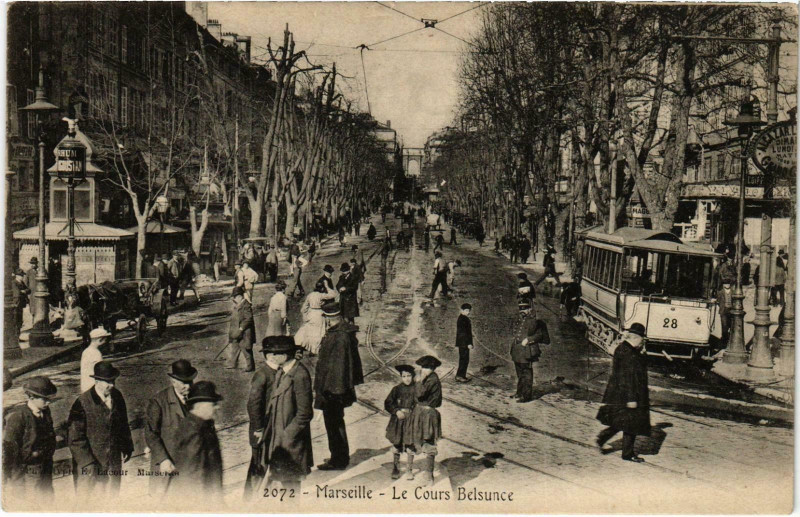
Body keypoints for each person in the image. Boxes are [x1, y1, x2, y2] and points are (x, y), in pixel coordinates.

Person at [245, 336, 314, 494]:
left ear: (285, 355)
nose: (271, 357)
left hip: (290, 440)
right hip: (280, 438)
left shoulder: (299, 374)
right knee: (281, 478)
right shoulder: (283, 372)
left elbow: (304, 413)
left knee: (291, 482)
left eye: (276, 354)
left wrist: (287, 435)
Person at [68, 361, 134, 495]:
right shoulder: (82, 403)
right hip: (91, 465)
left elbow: (123, 424)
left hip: (113, 461)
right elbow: (75, 438)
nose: (112, 385)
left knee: (112, 498)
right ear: (97, 381)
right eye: (108, 382)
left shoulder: (117, 396)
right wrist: (87, 463)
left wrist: (127, 445)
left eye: (113, 381)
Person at [314, 302, 364, 470]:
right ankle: (338, 456)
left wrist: (333, 391)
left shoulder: (340, 336)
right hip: (333, 387)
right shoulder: (339, 332)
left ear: (329, 319)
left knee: (334, 423)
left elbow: (340, 366)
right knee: (335, 422)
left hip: (333, 389)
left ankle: (339, 459)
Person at [596, 323, 650, 463]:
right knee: (631, 423)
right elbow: (629, 377)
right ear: (637, 338)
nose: (643, 342)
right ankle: (627, 453)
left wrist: (641, 354)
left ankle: (604, 437)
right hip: (628, 395)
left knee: (623, 421)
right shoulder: (629, 354)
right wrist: (631, 398)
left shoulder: (624, 349)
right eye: (642, 339)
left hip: (619, 393)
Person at [144, 360, 197, 496]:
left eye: (190, 382)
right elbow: (151, 434)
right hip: (167, 465)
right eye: (184, 383)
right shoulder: (158, 402)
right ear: (173, 381)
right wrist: (163, 459)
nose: (188, 386)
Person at [3, 376, 58, 499]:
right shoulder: (18, 416)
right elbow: (10, 448)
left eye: (49, 399)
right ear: (31, 398)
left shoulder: (45, 411)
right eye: (44, 399)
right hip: (27, 471)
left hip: (45, 467)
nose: (48, 402)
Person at [168, 381, 223, 500]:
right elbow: (192, 475)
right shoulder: (193, 432)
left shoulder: (203, 426)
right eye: (213, 403)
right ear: (200, 405)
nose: (217, 407)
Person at [408, 355, 442, 487]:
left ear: (432, 369)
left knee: (428, 443)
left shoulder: (431, 379)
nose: (423, 370)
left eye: (426, 368)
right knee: (411, 439)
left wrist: (419, 381)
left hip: (427, 414)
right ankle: (409, 471)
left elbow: (419, 394)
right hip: (420, 411)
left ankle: (429, 477)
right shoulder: (429, 378)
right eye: (423, 367)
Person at [384, 365, 417, 480]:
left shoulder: (417, 389)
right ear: (401, 377)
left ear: (413, 376)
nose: (407, 378)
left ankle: (409, 470)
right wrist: (396, 411)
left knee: (410, 444)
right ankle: (396, 468)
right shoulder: (396, 389)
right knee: (397, 443)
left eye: (409, 376)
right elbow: (388, 403)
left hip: (411, 420)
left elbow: (420, 404)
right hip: (398, 419)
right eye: (404, 376)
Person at [295, 281, 337, 356]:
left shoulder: (310, 295)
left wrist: (305, 316)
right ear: (321, 288)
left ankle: (302, 347)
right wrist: (327, 286)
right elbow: (333, 294)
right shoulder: (321, 295)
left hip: (311, 314)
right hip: (319, 314)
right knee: (318, 333)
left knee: (308, 331)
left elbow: (303, 308)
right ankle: (313, 350)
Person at [511, 319, 548, 402]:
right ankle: (519, 393)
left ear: (529, 308)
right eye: (521, 308)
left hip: (526, 350)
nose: (522, 311)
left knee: (527, 374)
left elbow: (539, 335)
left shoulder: (534, 321)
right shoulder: (519, 319)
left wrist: (528, 340)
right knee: (519, 372)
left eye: (525, 308)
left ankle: (526, 396)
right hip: (517, 349)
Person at [225, 287, 256, 372]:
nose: (234, 299)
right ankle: (232, 363)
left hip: (244, 332)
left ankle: (250, 366)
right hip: (236, 331)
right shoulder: (237, 305)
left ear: (239, 296)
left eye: (235, 297)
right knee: (235, 346)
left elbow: (248, 318)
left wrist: (241, 328)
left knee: (246, 348)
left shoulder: (246, 305)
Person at [80, 327, 110, 393]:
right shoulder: (96, 353)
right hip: (93, 386)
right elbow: (101, 373)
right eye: (105, 340)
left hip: (85, 385)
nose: (105, 342)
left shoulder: (86, 351)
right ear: (100, 340)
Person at [454, 303, 474, 382]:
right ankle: (460, 376)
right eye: (466, 310)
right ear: (461, 310)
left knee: (464, 359)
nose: (468, 312)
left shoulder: (462, 318)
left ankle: (461, 375)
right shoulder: (463, 319)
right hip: (464, 343)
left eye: (469, 311)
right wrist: (469, 343)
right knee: (464, 360)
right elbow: (464, 333)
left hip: (462, 342)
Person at [12, 267, 30, 334]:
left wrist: (24, 291)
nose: (22, 277)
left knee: (20, 320)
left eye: (22, 275)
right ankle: (15, 336)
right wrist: (23, 291)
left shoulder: (21, 282)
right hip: (16, 303)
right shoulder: (14, 283)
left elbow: (29, 290)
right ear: (17, 276)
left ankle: (18, 336)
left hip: (21, 304)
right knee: (16, 320)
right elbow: (17, 293)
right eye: (21, 275)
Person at [717, 279, 733, 347]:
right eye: (725, 284)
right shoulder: (720, 292)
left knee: (731, 325)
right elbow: (718, 301)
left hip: (731, 310)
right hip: (723, 310)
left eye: (728, 284)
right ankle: (724, 341)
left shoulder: (733, 292)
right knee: (724, 326)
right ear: (723, 285)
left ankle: (729, 340)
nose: (727, 285)